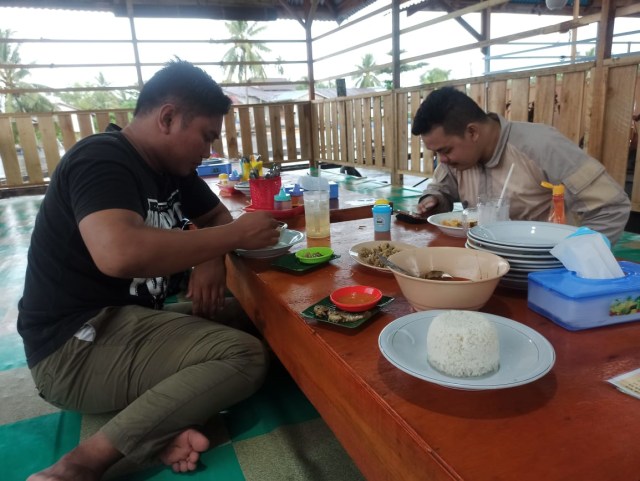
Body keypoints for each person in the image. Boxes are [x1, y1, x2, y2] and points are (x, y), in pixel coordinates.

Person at [18, 60, 282, 481]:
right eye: (207, 136)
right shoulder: (101, 158)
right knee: (244, 355)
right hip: (73, 347)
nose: (209, 151)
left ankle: (161, 429)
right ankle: (81, 464)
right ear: (168, 117)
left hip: (127, 323)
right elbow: (119, 253)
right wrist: (231, 239)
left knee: (255, 318)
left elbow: (216, 218)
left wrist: (209, 259)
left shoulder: (171, 169)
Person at [412, 87, 631, 245]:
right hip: (480, 261)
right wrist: (433, 200)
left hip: (541, 274)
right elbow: (441, 190)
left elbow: (611, 207)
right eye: (437, 152)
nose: (442, 160)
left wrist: (575, 258)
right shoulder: (458, 158)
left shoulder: (541, 145)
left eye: (445, 150)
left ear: (472, 132)